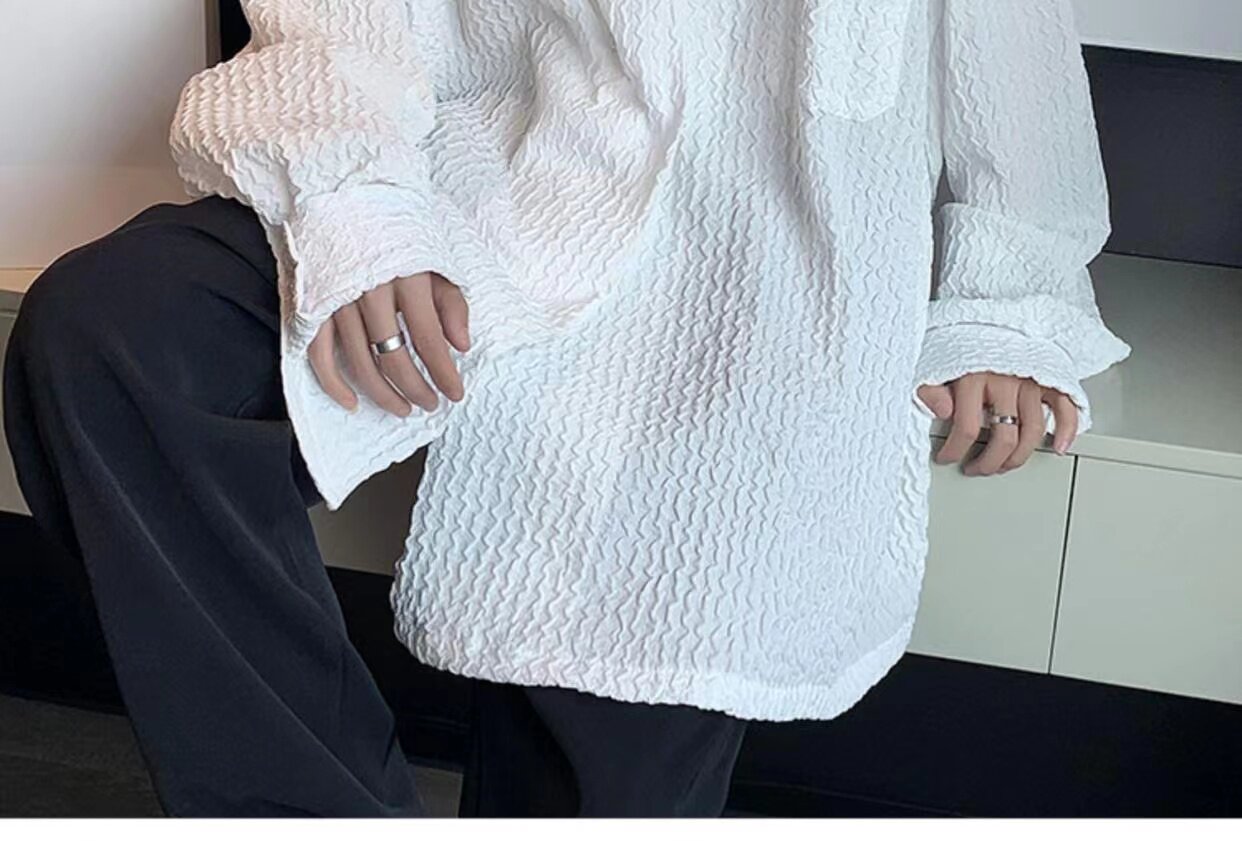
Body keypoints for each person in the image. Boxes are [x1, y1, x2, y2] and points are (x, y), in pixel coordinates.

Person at [3, 0, 1130, 819]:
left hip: (762, 275)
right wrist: (359, 205)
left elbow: (1015, 84)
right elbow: (345, 19)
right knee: (117, 334)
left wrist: (1005, 302)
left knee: (622, 709)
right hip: (476, 182)